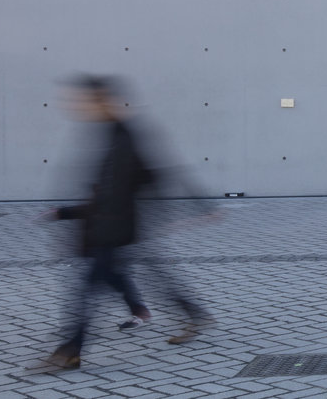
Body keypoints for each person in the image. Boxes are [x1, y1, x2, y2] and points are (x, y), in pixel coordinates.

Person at [32, 76, 210, 371]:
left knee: (89, 288)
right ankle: (195, 314)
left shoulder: (124, 136)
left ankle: (70, 350)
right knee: (153, 278)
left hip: (116, 230)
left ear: (103, 101)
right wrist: (68, 214)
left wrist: (192, 208)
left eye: (85, 101)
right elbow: (136, 182)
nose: (79, 107)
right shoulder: (110, 134)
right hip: (116, 227)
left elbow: (151, 177)